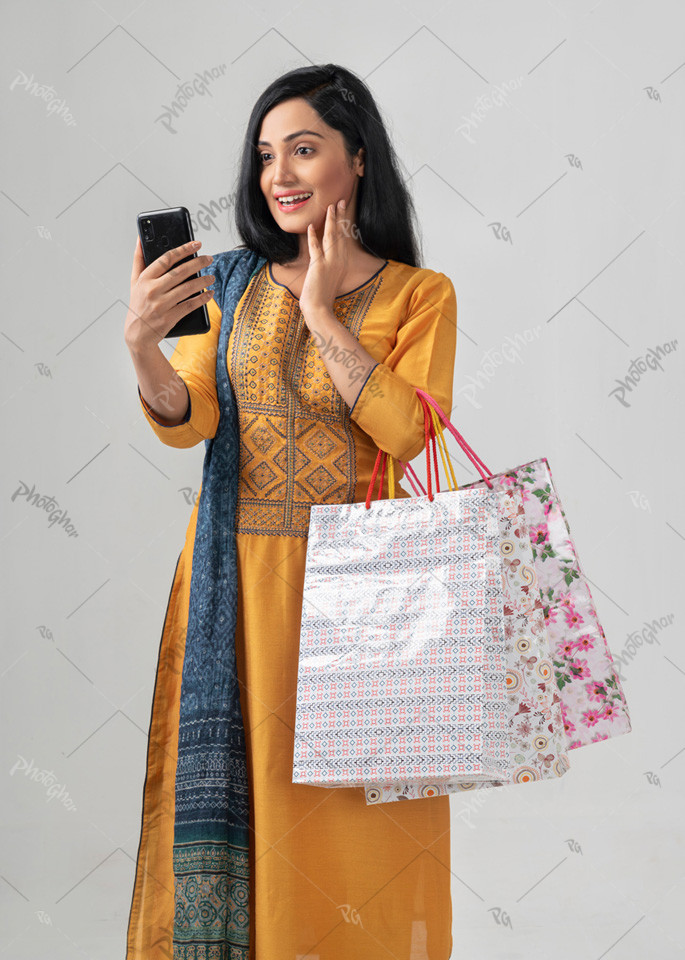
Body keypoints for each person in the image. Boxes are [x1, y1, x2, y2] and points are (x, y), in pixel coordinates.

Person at [125, 63, 457, 960]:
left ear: (356, 159)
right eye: (267, 154)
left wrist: (320, 311)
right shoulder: (226, 284)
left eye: (303, 149)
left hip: (367, 612)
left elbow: (407, 433)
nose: (279, 173)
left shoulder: (418, 296)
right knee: (255, 817)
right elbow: (185, 418)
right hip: (240, 600)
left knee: (362, 836)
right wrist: (142, 348)